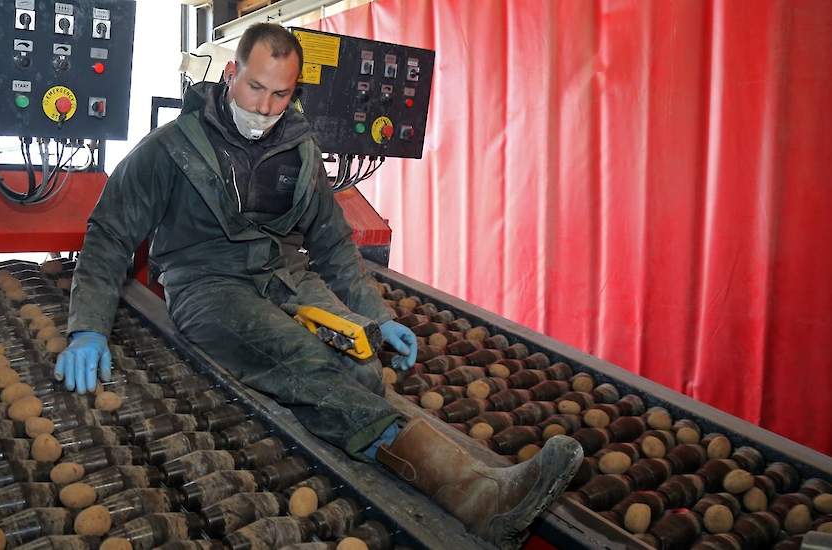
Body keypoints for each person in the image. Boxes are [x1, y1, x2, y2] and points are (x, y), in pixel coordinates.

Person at [57, 23, 582, 546]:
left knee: (362, 367)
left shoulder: (299, 150)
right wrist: (88, 327)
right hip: (208, 287)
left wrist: (376, 317)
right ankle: (478, 498)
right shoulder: (172, 148)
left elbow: (332, 243)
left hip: (286, 277)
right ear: (232, 73)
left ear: (296, 91)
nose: (264, 107)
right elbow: (109, 233)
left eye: (280, 93)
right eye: (256, 88)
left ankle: (384, 446)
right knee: (302, 362)